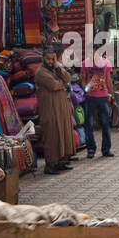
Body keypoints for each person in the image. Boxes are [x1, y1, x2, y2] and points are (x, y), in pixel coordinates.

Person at [35, 46, 76, 174]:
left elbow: (68, 78)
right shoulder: (41, 72)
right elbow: (53, 85)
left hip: (61, 109)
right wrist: (61, 83)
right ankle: (50, 165)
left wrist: (58, 68)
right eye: (49, 59)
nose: (51, 61)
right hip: (49, 110)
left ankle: (60, 162)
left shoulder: (54, 70)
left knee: (62, 134)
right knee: (52, 136)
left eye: (53, 59)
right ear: (43, 59)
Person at [82, 52, 115, 160]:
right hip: (90, 97)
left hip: (103, 97)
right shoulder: (85, 63)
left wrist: (112, 94)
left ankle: (106, 149)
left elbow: (108, 79)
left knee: (106, 124)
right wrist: (86, 90)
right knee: (89, 124)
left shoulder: (106, 62)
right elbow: (83, 78)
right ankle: (91, 149)